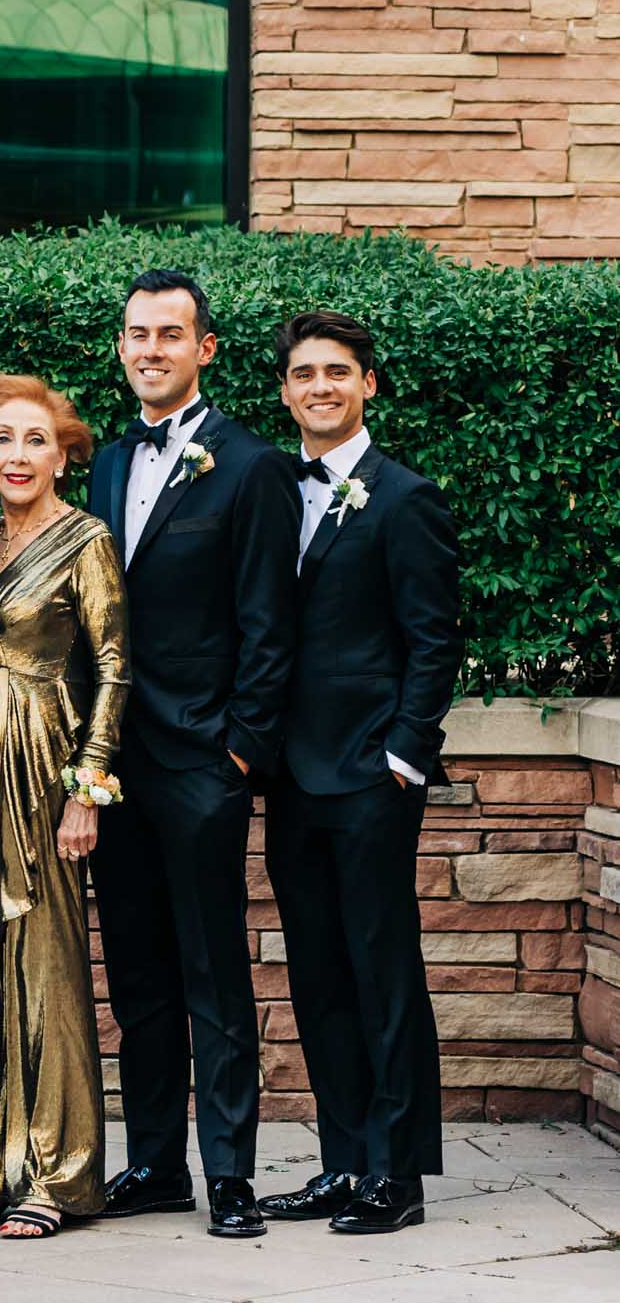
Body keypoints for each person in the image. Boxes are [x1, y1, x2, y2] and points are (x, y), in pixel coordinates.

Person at [85, 269, 300, 1241]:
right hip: (111, 762)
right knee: (135, 975)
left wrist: (240, 755)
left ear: (203, 348)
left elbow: (268, 620)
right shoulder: (102, 458)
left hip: (202, 763)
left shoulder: (248, 464)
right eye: (136, 333)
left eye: (169, 334)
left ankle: (231, 1175)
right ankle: (155, 1164)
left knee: (213, 974)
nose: (150, 349)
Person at [257, 311, 454, 1236]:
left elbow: (433, 638)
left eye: (338, 371)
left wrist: (404, 757)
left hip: (373, 774)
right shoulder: (268, 487)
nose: (321, 386)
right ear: (286, 389)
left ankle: (396, 1174)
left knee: (383, 969)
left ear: (367, 383)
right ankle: (342, 1163)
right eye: (304, 373)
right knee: (318, 973)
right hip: (290, 775)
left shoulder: (405, 498)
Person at [0, 376, 127, 1240]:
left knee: (45, 962)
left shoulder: (87, 538)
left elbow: (116, 667)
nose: (18, 455)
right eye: (3, 439)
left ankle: (60, 1172)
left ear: (63, 452)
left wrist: (86, 788)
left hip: (43, 757)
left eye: (36, 440)